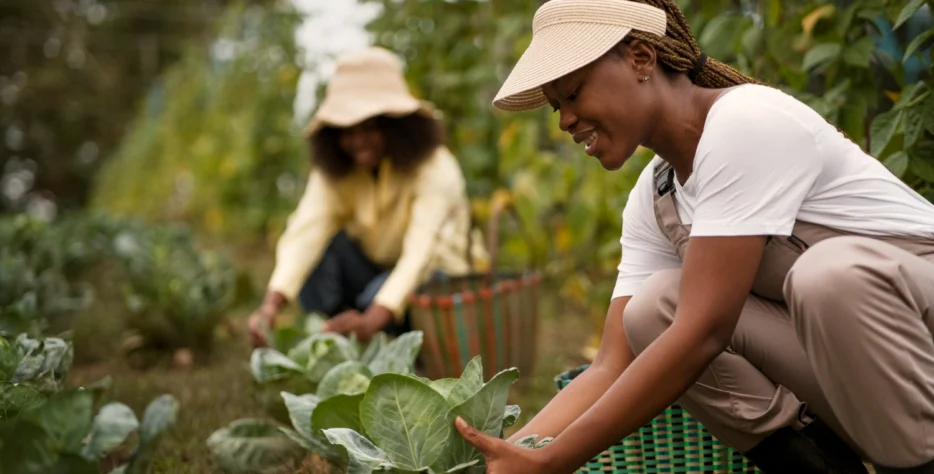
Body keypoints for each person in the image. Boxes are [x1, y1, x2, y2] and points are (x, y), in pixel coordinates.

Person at [450, 0, 934, 473]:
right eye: (557, 107)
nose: (565, 121)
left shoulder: (747, 122)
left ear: (641, 57)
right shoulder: (658, 196)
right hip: (870, 390)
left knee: (826, 278)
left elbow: (705, 331)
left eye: (573, 94)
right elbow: (609, 367)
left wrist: (554, 461)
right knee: (653, 310)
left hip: (917, 346)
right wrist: (508, 452)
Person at [248, 46, 488, 346]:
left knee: (381, 293)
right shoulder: (338, 171)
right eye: (346, 131)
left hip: (440, 280)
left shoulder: (436, 167)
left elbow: (422, 254)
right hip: (375, 273)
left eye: (370, 128)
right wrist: (271, 304)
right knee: (321, 253)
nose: (356, 141)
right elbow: (306, 230)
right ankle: (342, 335)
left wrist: (373, 317)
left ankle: (386, 336)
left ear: (398, 126)